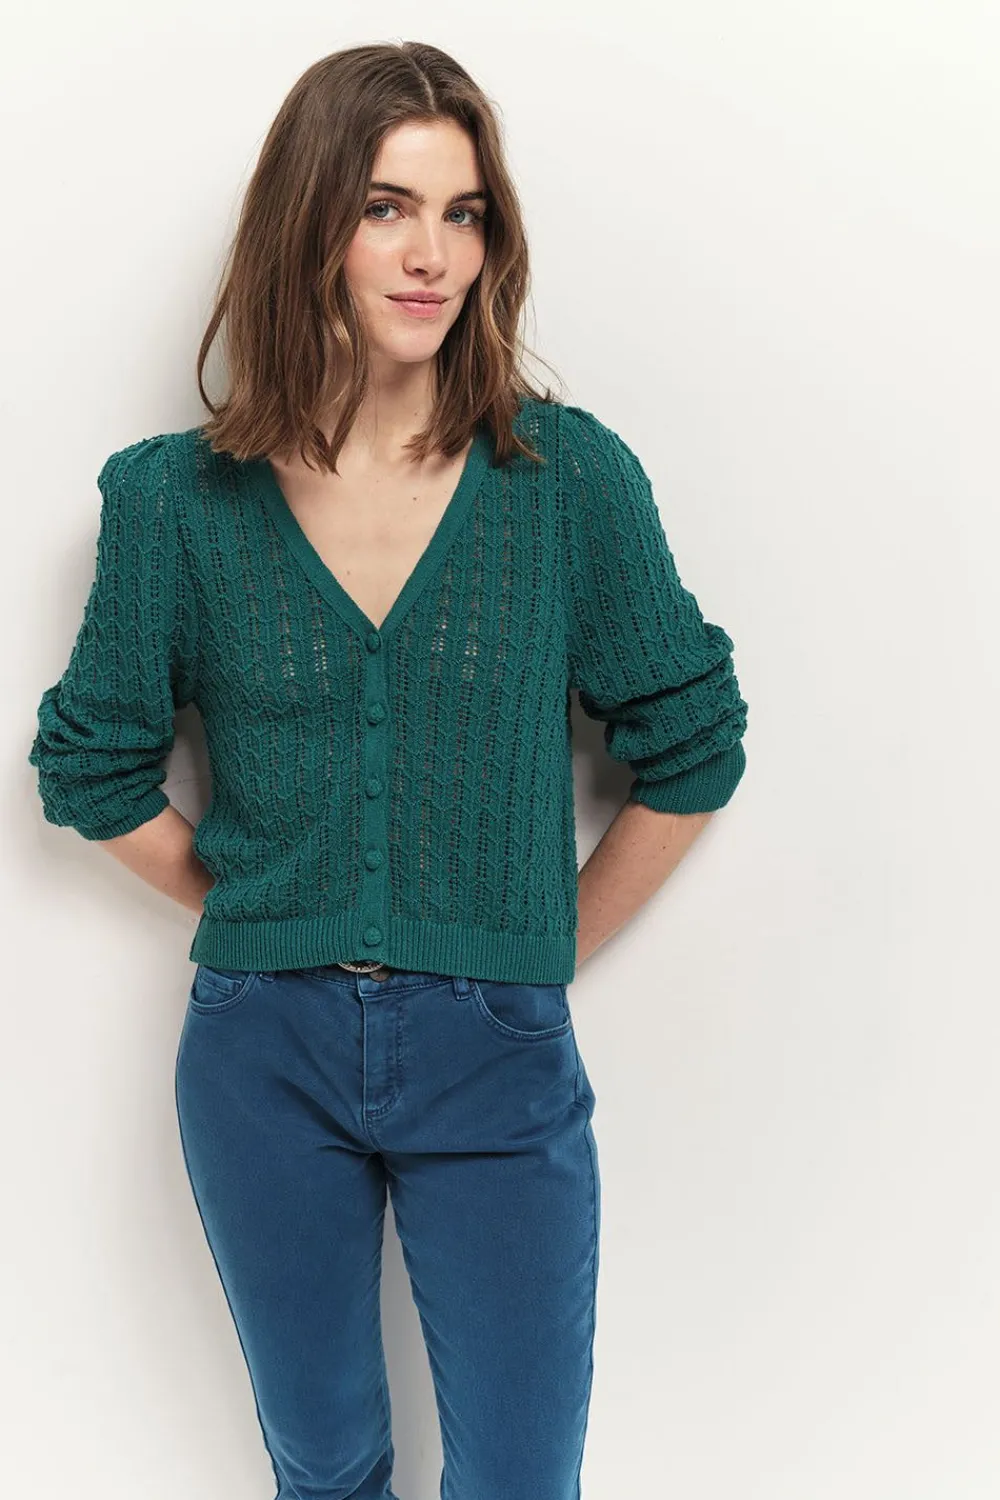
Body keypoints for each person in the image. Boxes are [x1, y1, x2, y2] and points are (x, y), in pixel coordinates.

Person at [27, 40, 748, 1500]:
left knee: (519, 1479)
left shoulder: (566, 483)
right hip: (261, 1054)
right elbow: (90, 767)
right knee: (326, 1466)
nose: (434, 256)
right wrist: (263, 916)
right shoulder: (175, 502)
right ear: (308, 225)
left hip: (499, 1053)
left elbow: (693, 743)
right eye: (386, 208)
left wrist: (539, 950)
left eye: (464, 213)